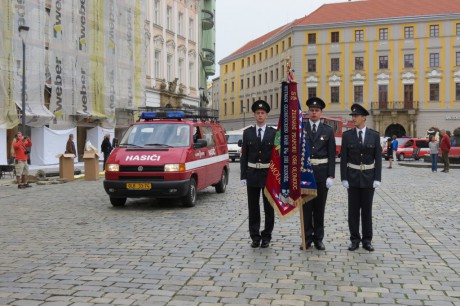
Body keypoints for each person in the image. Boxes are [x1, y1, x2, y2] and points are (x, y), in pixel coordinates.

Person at [340, 104, 382, 252]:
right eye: (352, 116)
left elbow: (378, 157)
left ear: (364, 117)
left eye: (356, 116)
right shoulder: (347, 136)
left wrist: (378, 178)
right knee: (353, 211)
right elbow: (344, 158)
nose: (354, 118)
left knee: (367, 210)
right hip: (352, 177)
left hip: (369, 178)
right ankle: (354, 239)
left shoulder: (374, 135)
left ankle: (367, 240)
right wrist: (343, 178)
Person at [300, 97, 336, 250]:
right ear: (308, 112)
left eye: (317, 110)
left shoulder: (328, 130)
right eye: (312, 110)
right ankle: (307, 238)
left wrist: (331, 175)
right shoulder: (301, 128)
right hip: (305, 175)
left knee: (319, 209)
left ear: (321, 113)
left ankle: (318, 239)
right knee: (306, 208)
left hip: (321, 174)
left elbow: (332, 154)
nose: (314, 113)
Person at [240, 100, 276, 249]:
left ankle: (266, 236)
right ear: (254, 115)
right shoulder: (247, 132)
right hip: (252, 174)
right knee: (253, 208)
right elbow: (244, 156)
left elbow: (276, 156)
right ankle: (255, 236)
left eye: (262, 113)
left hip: (268, 175)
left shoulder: (274, 133)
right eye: (257, 113)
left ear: (266, 115)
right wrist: (243, 176)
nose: (260, 115)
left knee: (269, 208)